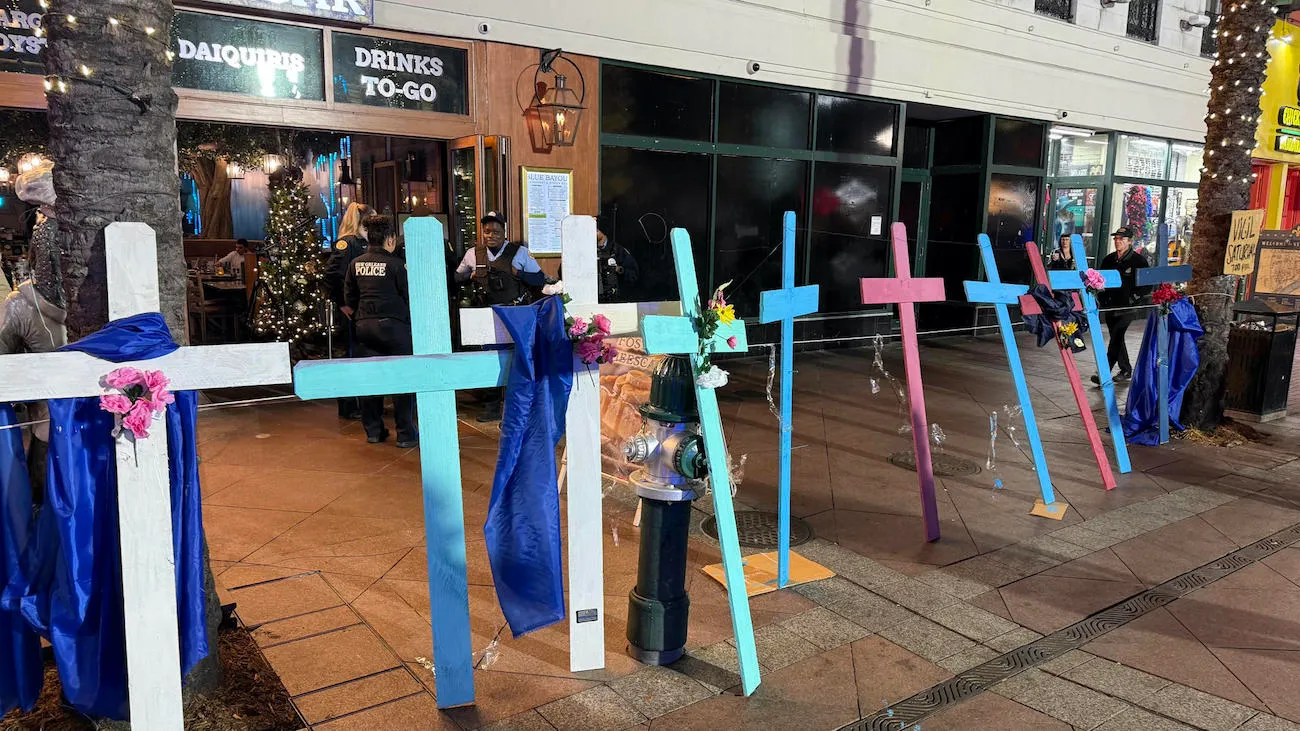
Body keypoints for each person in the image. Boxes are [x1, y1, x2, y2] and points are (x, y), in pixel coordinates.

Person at [455, 211, 546, 421]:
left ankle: (520, 405)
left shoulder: (520, 253)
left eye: (496, 231)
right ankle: (491, 407)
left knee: (519, 360)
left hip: (515, 315)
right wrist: (469, 276)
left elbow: (540, 279)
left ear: (504, 232)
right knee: (490, 360)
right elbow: (456, 277)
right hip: (486, 316)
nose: (490, 235)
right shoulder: (473, 254)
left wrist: (519, 274)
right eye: (486, 231)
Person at [344, 214, 418, 448]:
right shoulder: (397, 264)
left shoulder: (356, 263)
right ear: (389, 239)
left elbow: (350, 297)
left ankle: (374, 431)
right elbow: (409, 296)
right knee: (402, 379)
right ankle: (405, 433)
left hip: (364, 326)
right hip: (394, 327)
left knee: (370, 379)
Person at [324, 202, 373, 420]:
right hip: (351, 311)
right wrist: (343, 303)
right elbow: (333, 276)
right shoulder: (347, 243)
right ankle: (348, 406)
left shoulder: (363, 243)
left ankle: (362, 403)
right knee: (350, 356)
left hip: (361, 309)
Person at [1092, 226, 1151, 385]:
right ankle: (1125, 369)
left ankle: (1104, 372)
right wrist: (1102, 298)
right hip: (1111, 306)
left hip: (1128, 307)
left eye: (1122, 239)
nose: (1118, 241)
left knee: (1117, 335)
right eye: (1116, 239)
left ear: (1130, 241)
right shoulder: (1109, 259)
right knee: (1116, 337)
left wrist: (1134, 298)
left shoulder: (1139, 261)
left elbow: (1147, 285)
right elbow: (1099, 280)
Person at [597, 228, 639, 301]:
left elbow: (634, 275)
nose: (592, 233)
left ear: (602, 232)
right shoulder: (588, 250)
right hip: (596, 299)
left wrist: (619, 270)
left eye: (596, 230)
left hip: (616, 300)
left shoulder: (618, 250)